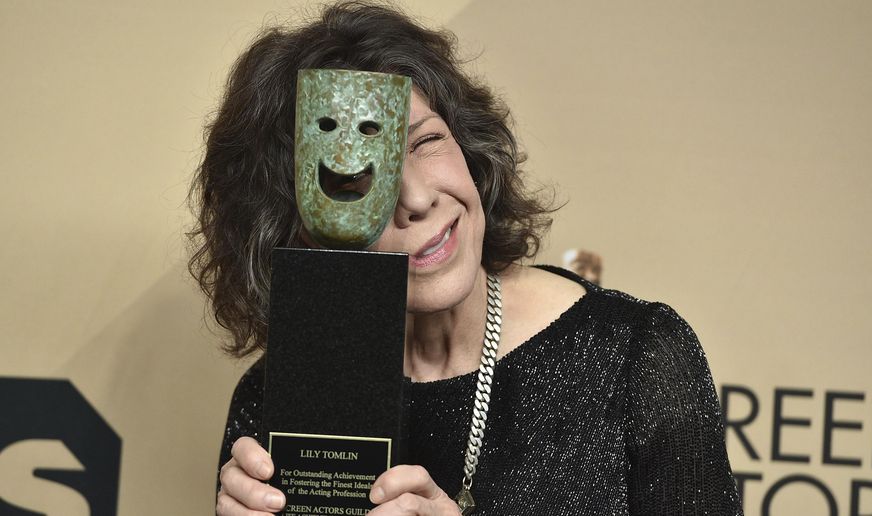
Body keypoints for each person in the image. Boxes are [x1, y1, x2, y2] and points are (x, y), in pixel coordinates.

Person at [188, 2, 743, 514]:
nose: (417, 198)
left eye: (426, 142)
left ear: (468, 145)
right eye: (353, 177)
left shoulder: (637, 356)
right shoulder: (276, 400)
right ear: (304, 228)